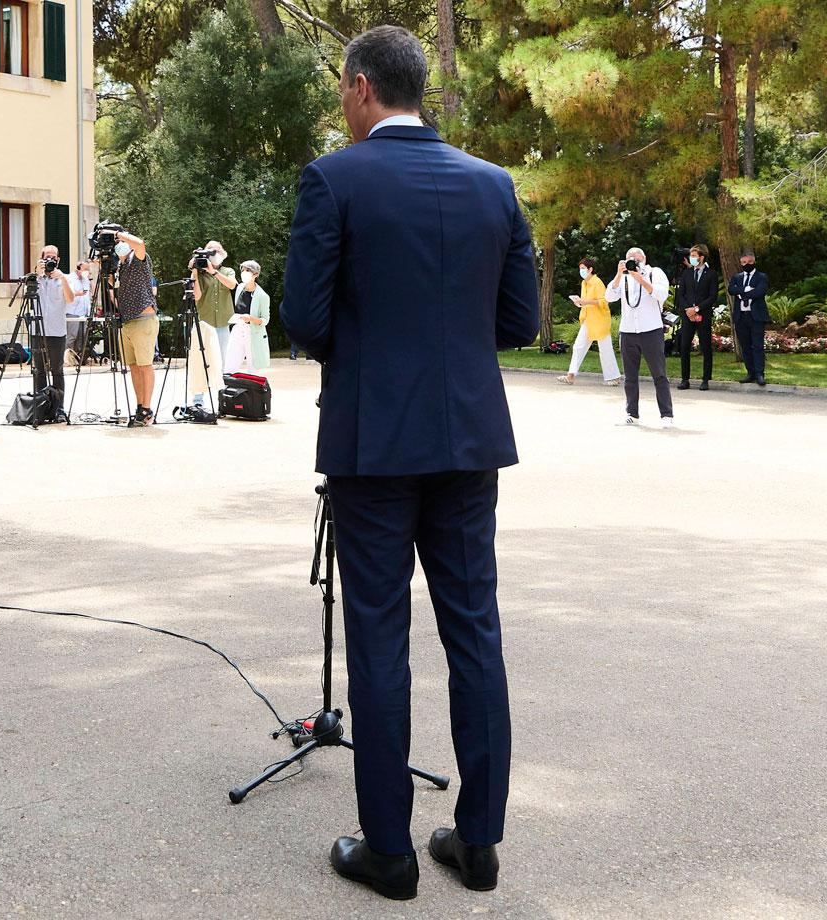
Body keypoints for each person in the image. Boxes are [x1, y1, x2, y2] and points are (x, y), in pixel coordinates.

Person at [281, 26, 539, 901]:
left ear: (360, 89)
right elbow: (521, 322)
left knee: (380, 638)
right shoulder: (493, 184)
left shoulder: (334, 178)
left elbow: (305, 321)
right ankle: (479, 840)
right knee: (476, 634)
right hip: (466, 442)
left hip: (371, 444)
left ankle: (388, 849)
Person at [607, 247, 674, 427]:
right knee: (630, 377)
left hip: (651, 330)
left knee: (659, 375)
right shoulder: (623, 278)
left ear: (644, 259)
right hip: (628, 331)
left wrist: (641, 279)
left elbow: (661, 294)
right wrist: (619, 275)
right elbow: (609, 297)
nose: (633, 261)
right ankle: (632, 413)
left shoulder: (655, 273)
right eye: (629, 258)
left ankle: (666, 415)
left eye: (636, 258)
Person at [107, 230, 159, 426]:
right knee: (134, 367)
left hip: (143, 319)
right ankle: (140, 407)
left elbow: (140, 244)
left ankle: (147, 408)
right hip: (127, 321)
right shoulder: (120, 268)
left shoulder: (138, 259)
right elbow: (117, 299)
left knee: (145, 365)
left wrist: (118, 233)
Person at [188, 241, 235, 411]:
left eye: (216, 250)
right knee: (200, 361)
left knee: (220, 362)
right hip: (204, 323)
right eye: (210, 251)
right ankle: (198, 400)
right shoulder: (200, 274)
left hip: (223, 322)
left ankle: (222, 401)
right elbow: (197, 296)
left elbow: (231, 285)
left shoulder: (227, 271)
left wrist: (213, 272)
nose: (214, 253)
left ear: (223, 253)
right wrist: (195, 271)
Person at [559, 258, 619, 385]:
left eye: (583, 269)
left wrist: (585, 302)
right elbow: (586, 302)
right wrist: (579, 302)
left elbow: (603, 301)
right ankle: (571, 375)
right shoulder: (584, 283)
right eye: (580, 268)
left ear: (590, 269)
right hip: (588, 319)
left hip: (600, 320)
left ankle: (614, 378)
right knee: (578, 347)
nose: (581, 271)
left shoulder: (597, 282)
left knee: (605, 349)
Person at [32, 245, 74, 402]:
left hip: (57, 331)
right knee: (39, 371)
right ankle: (41, 405)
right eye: (47, 257)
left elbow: (70, 299)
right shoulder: (36, 278)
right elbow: (27, 297)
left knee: (57, 370)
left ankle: (59, 407)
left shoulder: (65, 278)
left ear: (58, 260)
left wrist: (62, 278)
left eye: (53, 257)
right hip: (38, 331)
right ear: (41, 259)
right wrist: (37, 274)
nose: (50, 260)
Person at [675, 244, 717, 391]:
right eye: (691, 256)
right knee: (684, 346)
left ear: (701, 257)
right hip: (688, 316)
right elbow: (681, 294)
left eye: (694, 256)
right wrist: (688, 310)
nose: (691, 258)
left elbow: (712, 296)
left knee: (705, 347)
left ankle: (705, 379)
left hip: (703, 315)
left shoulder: (711, 274)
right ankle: (685, 379)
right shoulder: (687, 274)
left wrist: (697, 309)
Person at [727, 250, 769, 387]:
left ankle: (759, 374)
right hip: (741, 317)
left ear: (754, 262)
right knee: (745, 346)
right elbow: (731, 290)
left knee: (757, 346)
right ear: (741, 263)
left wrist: (743, 293)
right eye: (744, 262)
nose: (747, 264)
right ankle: (750, 373)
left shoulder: (762, 277)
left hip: (755, 317)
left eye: (749, 262)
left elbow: (760, 291)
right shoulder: (737, 278)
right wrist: (746, 290)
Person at [223, 260, 271, 375]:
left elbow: (265, 320)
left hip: (253, 332)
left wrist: (250, 318)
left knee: (253, 367)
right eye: (243, 270)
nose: (244, 272)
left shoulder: (262, 296)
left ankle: (253, 391)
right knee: (230, 361)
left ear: (256, 274)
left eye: (248, 270)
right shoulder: (239, 288)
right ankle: (229, 387)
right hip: (237, 328)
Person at [65, 259, 94, 363]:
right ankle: (67, 359)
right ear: (78, 268)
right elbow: (69, 293)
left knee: (81, 338)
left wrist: (90, 279)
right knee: (71, 336)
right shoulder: (70, 278)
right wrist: (79, 293)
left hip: (83, 313)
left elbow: (92, 292)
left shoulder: (86, 280)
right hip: (73, 312)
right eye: (85, 269)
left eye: (88, 269)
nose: (87, 271)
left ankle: (78, 359)